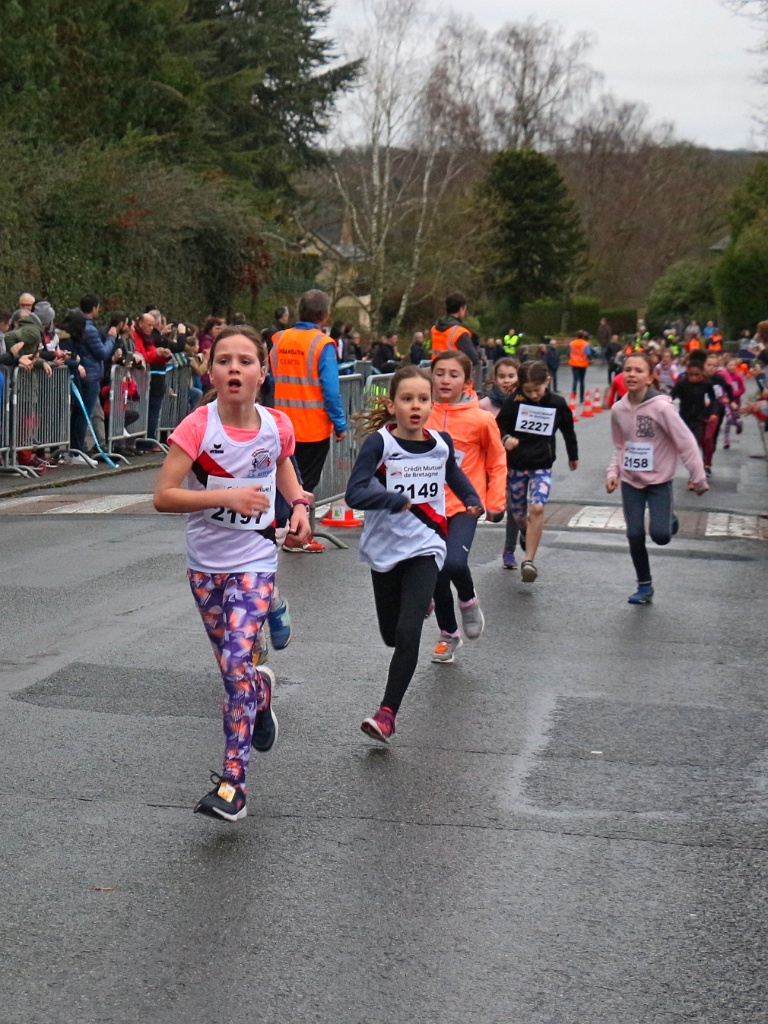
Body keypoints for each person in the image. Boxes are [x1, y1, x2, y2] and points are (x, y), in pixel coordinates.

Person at [153, 326, 311, 821]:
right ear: (211, 372)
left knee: (237, 662)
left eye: (245, 360)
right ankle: (261, 695)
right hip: (205, 567)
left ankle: (232, 786)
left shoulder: (276, 425)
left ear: (263, 373)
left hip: (256, 560)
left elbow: (283, 467)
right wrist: (226, 496)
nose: (235, 368)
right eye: (224, 360)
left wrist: (299, 506)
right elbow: (163, 496)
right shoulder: (197, 428)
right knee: (235, 672)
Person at [344, 366, 480, 742]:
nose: (415, 406)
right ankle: (420, 603)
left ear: (432, 404)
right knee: (392, 635)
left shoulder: (440, 443)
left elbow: (453, 474)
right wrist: (389, 498)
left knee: (408, 632)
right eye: (407, 399)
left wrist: (470, 498)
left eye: (423, 399)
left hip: (426, 544)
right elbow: (354, 493)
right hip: (385, 549)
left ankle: (387, 714)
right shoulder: (380, 445)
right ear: (392, 405)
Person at [606, 351, 708, 605]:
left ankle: (669, 518)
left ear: (650, 377)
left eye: (638, 370)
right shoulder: (618, 409)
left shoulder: (662, 408)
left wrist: (698, 477)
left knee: (661, 535)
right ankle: (644, 585)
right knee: (634, 533)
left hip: (659, 482)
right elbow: (620, 445)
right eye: (627, 369)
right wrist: (613, 472)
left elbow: (686, 442)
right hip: (631, 481)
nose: (631, 375)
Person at [425, 351, 507, 663]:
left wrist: (495, 501)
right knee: (434, 570)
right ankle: (448, 633)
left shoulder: (481, 420)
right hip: (427, 506)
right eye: (439, 373)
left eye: (453, 374)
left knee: (454, 564)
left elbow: (497, 461)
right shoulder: (422, 414)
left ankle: (469, 601)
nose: (445, 380)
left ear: (467, 381)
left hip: (463, 505)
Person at [270, 289, 348, 552]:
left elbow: (272, 377)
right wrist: (340, 424)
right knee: (303, 487)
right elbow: (331, 389)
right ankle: (296, 536)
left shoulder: (279, 339)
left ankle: (283, 531)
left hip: (281, 424)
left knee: (283, 484)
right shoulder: (322, 344)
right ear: (325, 315)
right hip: (312, 428)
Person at [496, 360, 578, 583]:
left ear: (547, 381)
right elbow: (498, 426)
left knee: (538, 507)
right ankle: (525, 530)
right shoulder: (514, 401)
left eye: (537, 390)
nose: (533, 395)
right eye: (528, 390)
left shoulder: (557, 403)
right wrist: (506, 438)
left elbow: (568, 430)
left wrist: (573, 455)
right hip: (517, 465)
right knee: (518, 515)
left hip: (542, 465)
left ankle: (529, 561)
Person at [670, 352, 718, 475]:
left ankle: (695, 473)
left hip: (699, 419)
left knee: (695, 445)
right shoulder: (682, 383)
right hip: (684, 418)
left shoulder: (706, 384)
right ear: (687, 372)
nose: (693, 378)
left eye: (697, 375)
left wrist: (713, 413)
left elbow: (713, 400)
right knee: (684, 446)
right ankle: (694, 468)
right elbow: (670, 397)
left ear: (702, 373)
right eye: (690, 374)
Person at [430, 292, 480, 365]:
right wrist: (474, 344)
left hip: (436, 368)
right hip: (452, 369)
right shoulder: (460, 332)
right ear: (461, 309)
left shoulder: (434, 328)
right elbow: (474, 359)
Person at [568, 330, 592, 403]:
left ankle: (573, 395)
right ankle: (581, 398)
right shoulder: (585, 344)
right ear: (583, 336)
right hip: (583, 364)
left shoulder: (572, 343)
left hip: (574, 363)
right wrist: (590, 359)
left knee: (575, 380)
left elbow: (568, 352)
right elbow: (588, 353)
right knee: (582, 381)